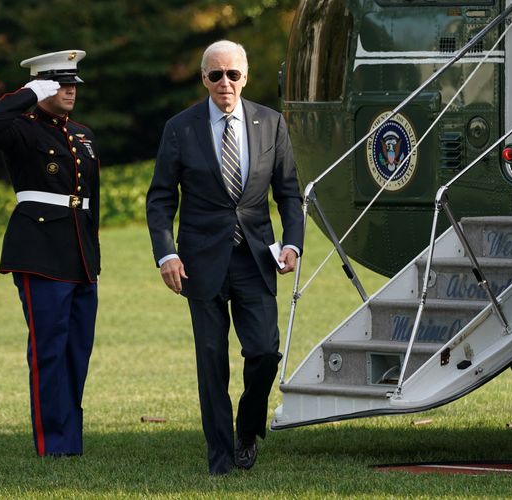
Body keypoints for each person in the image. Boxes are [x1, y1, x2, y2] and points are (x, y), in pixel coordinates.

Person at [146, 40, 304, 475]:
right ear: (204, 79)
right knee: (211, 362)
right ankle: (220, 457)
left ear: (246, 76)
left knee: (265, 353)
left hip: (256, 258)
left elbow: (288, 192)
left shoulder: (271, 123)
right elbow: (160, 199)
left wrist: (293, 243)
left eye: (232, 74)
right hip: (199, 262)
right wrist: (167, 255)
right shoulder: (180, 128)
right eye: (215, 75)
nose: (225, 83)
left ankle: (247, 430)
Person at [0, 50, 100, 457]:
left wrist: (93, 255)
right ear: (42, 86)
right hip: (39, 251)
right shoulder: (20, 129)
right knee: (49, 348)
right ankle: (52, 443)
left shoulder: (82, 134)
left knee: (77, 349)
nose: (70, 92)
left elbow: (91, 199)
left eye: (72, 85)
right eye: (60, 85)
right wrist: (27, 94)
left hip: (79, 253)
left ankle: (71, 440)